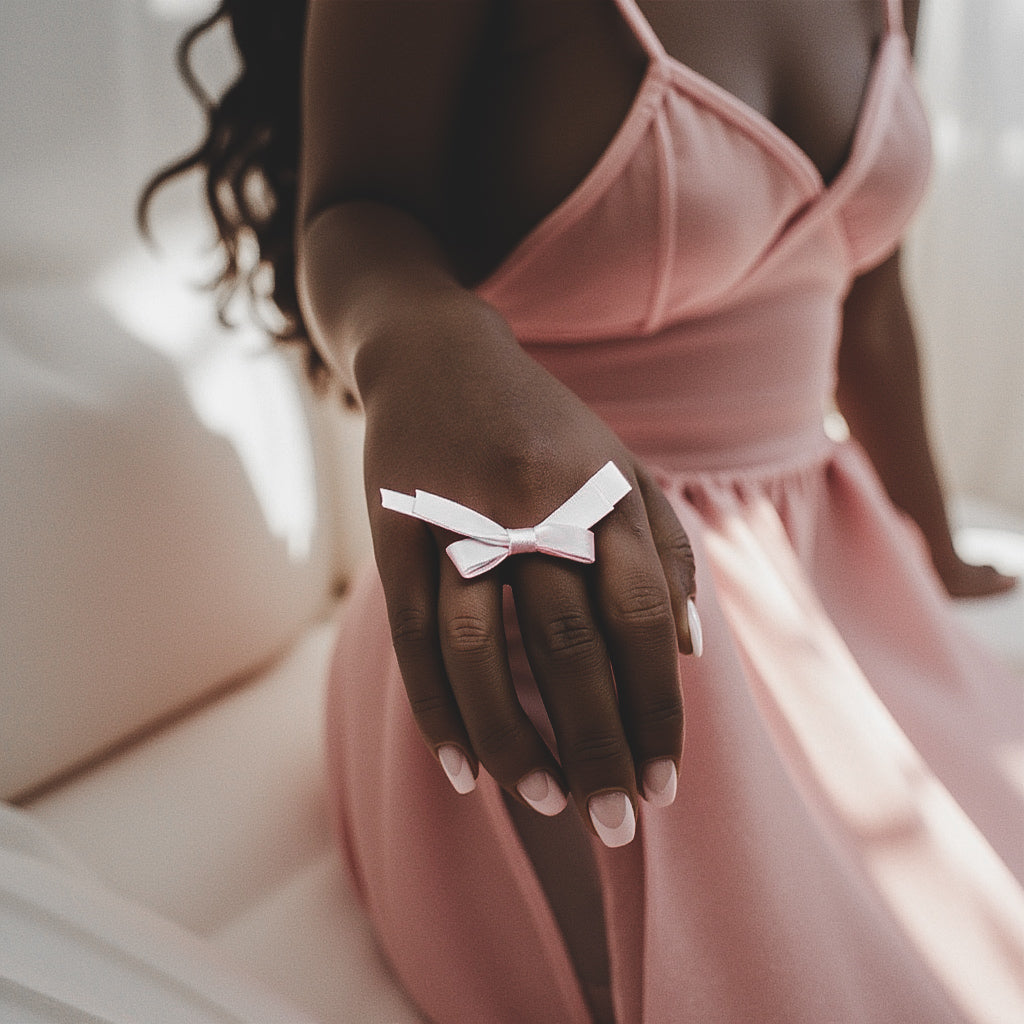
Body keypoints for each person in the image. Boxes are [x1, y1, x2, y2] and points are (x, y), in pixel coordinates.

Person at [143, 1, 1023, 1021]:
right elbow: (352, 212)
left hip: (827, 565)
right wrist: (421, 342)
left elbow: (864, 297)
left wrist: (932, 559)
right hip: (555, 584)